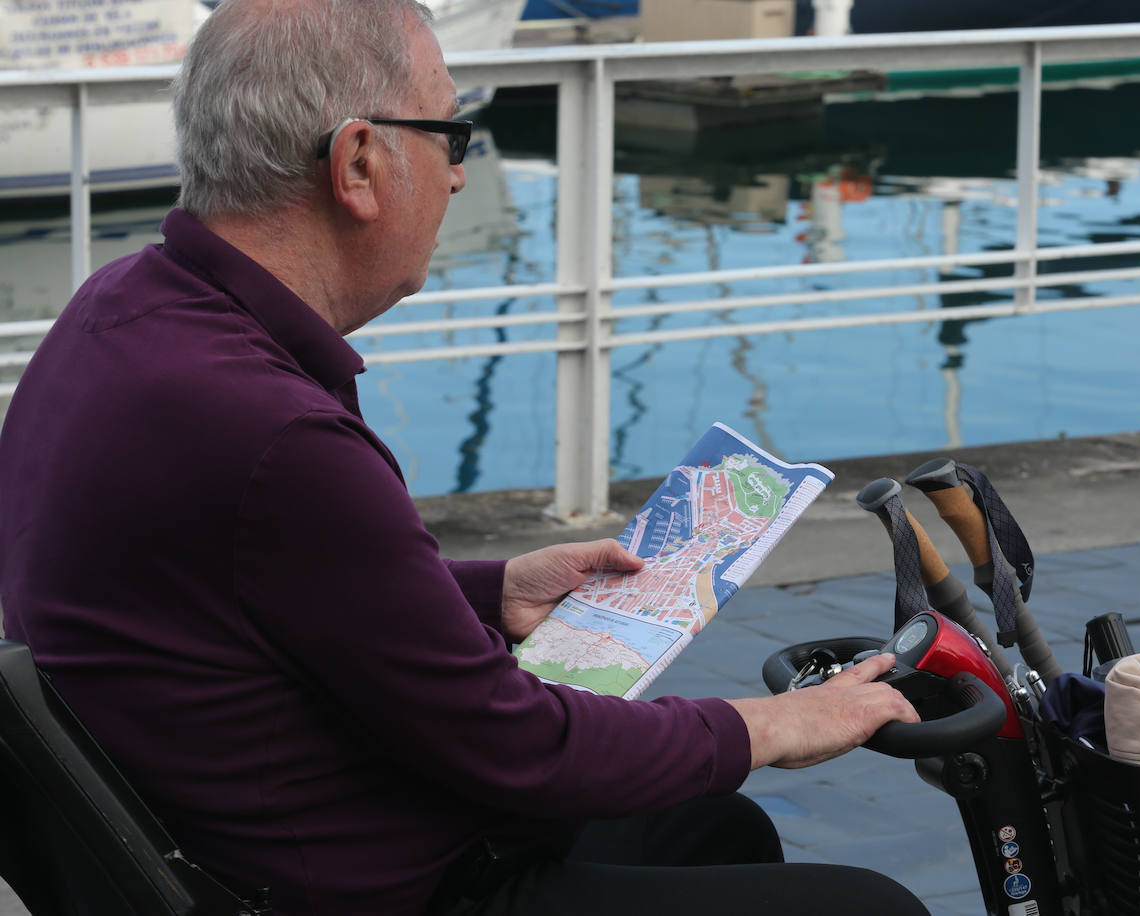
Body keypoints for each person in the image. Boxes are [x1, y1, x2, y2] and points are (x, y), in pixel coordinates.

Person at [0, 1, 930, 914]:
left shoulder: (115, 313)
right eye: (452, 134)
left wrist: (491, 591)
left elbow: (263, 587)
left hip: (224, 836)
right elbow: (517, 748)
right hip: (373, 880)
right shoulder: (275, 434)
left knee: (708, 828)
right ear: (358, 163)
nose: (456, 175)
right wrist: (771, 725)